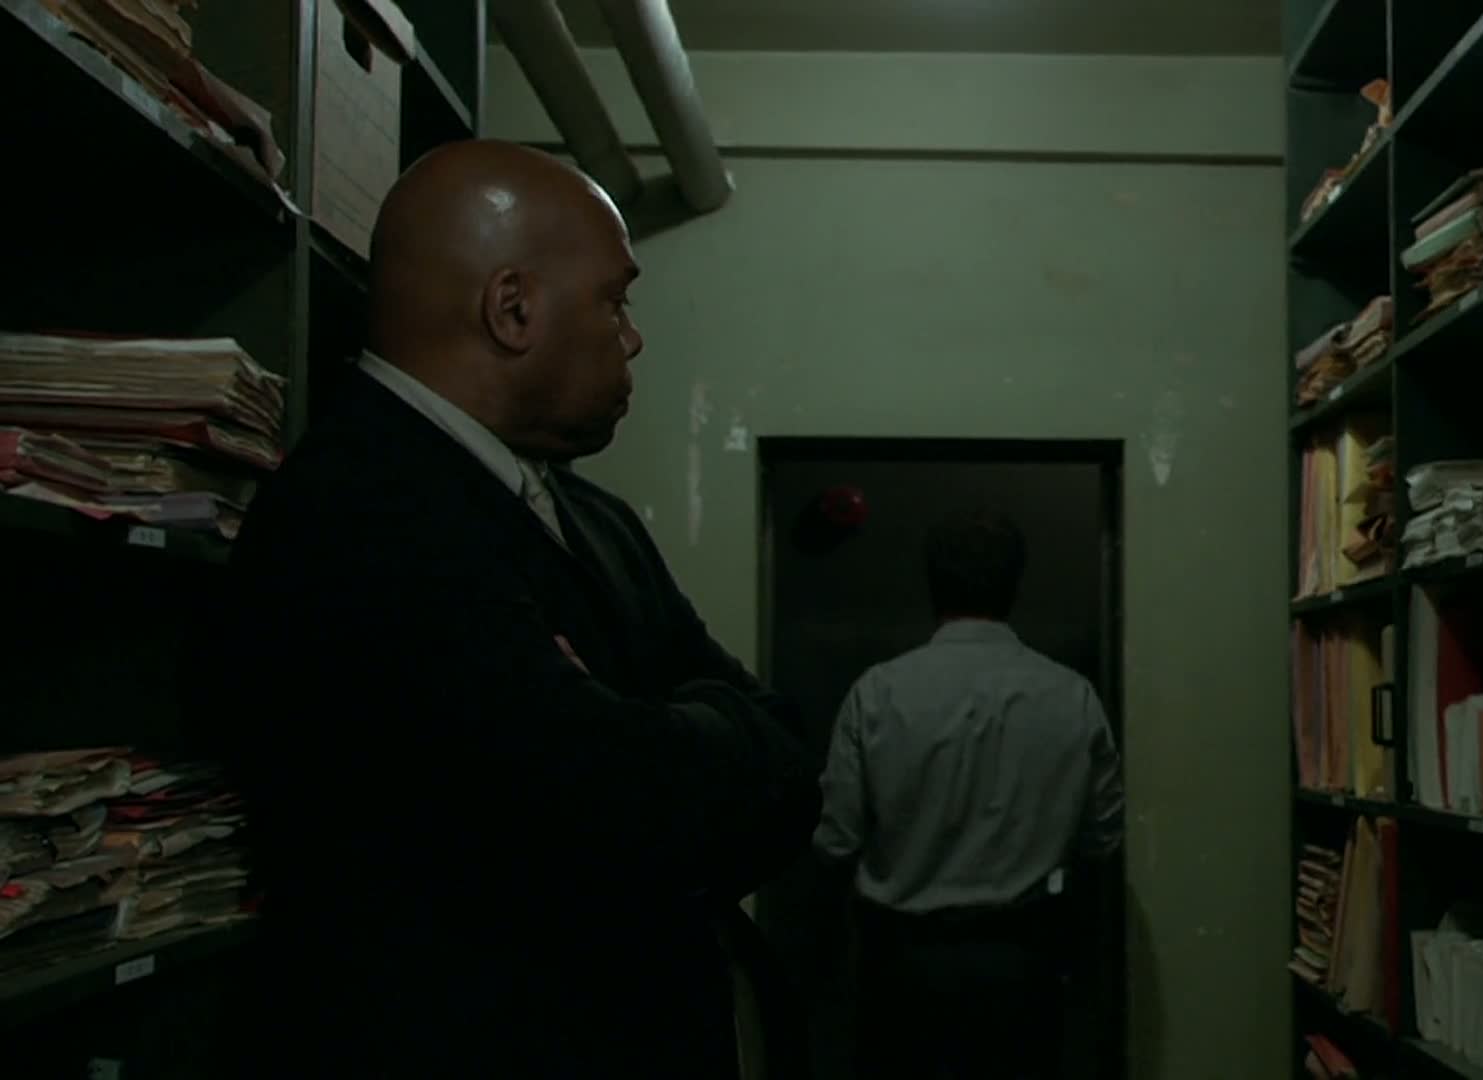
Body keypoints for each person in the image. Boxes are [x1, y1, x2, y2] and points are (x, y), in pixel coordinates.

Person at [198, 140, 819, 1078]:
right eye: (615, 301)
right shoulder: (359, 513)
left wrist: (653, 736)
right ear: (513, 309)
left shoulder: (590, 516)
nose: (633, 336)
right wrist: (693, 733)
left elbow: (787, 763)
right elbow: (613, 811)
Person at [813, 509, 1126, 1080]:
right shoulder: (1072, 697)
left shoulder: (877, 693)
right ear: (1014, 586)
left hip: (903, 967)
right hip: (1022, 966)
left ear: (932, 584)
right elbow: (1102, 839)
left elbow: (835, 839)